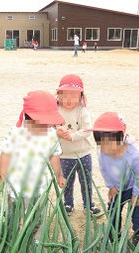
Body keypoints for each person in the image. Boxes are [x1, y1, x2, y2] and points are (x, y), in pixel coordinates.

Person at [0, 91, 66, 240]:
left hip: (39, 188)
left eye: (48, 122)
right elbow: (5, 154)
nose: (46, 126)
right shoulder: (16, 133)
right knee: (13, 218)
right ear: (29, 117)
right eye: (42, 122)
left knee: (37, 220)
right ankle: (10, 241)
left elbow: (54, 156)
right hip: (16, 188)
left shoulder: (51, 134)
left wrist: (59, 176)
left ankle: (35, 244)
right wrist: (2, 177)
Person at [89, 112, 139, 240]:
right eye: (101, 143)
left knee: (138, 212)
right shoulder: (103, 153)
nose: (104, 148)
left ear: (121, 138)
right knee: (113, 209)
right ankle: (113, 233)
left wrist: (137, 194)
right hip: (118, 186)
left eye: (109, 143)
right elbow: (105, 170)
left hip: (138, 186)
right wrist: (111, 186)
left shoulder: (135, 154)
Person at [55, 74, 100, 216]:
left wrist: (72, 136)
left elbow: (87, 130)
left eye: (73, 96)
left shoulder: (82, 111)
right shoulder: (55, 110)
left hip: (83, 154)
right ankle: (68, 203)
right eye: (65, 95)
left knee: (86, 181)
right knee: (67, 182)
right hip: (64, 155)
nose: (69, 100)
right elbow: (49, 127)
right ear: (59, 95)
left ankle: (88, 204)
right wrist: (57, 132)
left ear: (81, 96)